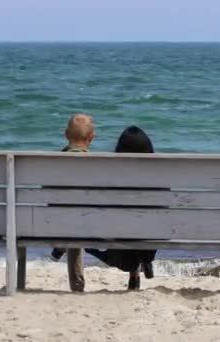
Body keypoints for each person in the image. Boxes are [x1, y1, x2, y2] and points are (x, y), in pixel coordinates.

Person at [85, 126, 158, 290]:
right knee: (146, 223)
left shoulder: (111, 176)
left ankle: (134, 269)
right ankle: (145, 262)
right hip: (148, 246)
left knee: (100, 235)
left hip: (120, 255)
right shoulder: (157, 178)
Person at [49, 113, 95, 292]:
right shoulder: (99, 165)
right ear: (92, 137)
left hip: (56, 223)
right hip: (91, 223)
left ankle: (60, 247)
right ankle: (76, 284)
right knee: (78, 218)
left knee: (71, 218)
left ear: (66, 135)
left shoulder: (53, 163)